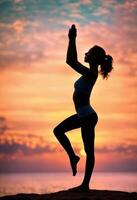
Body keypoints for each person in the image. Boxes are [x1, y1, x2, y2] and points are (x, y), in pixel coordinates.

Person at [53, 24, 113, 191]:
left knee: (89, 150)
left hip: (87, 116)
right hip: (83, 115)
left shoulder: (90, 74)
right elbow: (71, 61)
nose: (85, 54)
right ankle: (73, 157)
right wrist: (72, 39)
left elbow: (70, 61)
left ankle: (85, 185)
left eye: (89, 52)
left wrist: (72, 39)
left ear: (94, 57)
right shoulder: (88, 72)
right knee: (58, 131)